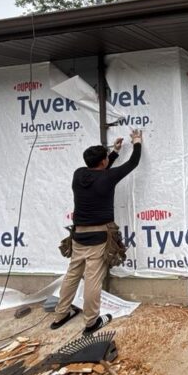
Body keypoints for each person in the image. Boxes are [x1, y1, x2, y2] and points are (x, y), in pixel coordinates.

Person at [51, 129, 143, 334]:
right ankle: (91, 321)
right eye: (106, 158)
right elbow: (133, 163)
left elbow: (99, 171)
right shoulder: (108, 177)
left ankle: (60, 315)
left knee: (73, 274)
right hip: (99, 236)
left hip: (78, 236)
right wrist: (137, 141)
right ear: (103, 162)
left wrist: (114, 153)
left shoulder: (78, 174)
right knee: (92, 279)